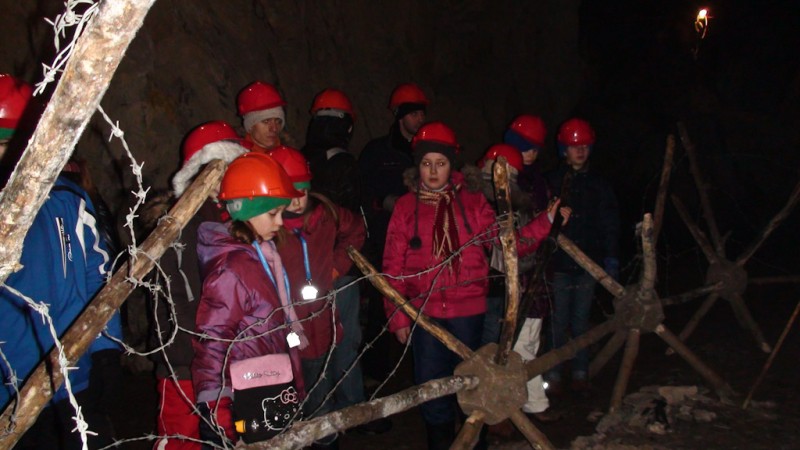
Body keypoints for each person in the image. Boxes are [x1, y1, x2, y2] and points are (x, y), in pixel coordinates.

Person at [382, 122, 566, 450]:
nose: (433, 171)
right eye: (426, 163)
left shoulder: (471, 201)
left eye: (440, 163)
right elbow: (393, 266)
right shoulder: (406, 207)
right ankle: (441, 443)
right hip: (424, 312)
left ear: (451, 164)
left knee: (472, 382)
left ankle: (474, 441)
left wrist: (545, 222)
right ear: (417, 166)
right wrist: (398, 317)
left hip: (467, 311)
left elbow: (507, 244)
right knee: (432, 384)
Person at [0, 73, 123, 449]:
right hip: (12, 389)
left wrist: (106, 346)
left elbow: (97, 274)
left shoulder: (67, 201)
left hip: (74, 373)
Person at [140, 121, 246, 450]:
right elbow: (170, 296)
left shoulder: (238, 222)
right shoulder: (176, 225)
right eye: (222, 168)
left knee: (226, 430)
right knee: (181, 434)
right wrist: (183, 351)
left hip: (226, 355)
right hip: (185, 356)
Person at [191, 152, 305, 448]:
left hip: (274, 381)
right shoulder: (233, 269)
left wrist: (295, 381)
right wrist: (216, 407)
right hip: (248, 393)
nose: (280, 222)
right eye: (272, 213)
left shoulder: (263, 256)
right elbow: (213, 339)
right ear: (245, 210)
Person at [269, 146, 366, 448]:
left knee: (323, 379)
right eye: (290, 192)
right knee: (298, 383)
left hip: (323, 316)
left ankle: (325, 437)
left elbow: (356, 230)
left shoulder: (326, 214)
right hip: (289, 324)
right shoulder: (269, 228)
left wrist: (337, 266)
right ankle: (303, 431)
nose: (297, 199)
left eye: (302, 190)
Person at [357, 82, 428, 381]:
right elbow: (362, 189)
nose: (419, 119)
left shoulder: (428, 150)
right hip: (385, 238)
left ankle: (423, 367)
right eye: (413, 114)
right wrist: (387, 203)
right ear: (399, 115)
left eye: (421, 113)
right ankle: (376, 370)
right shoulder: (377, 151)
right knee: (381, 301)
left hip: (423, 240)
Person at [544, 118, 620, 395]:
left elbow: (609, 223)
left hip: (587, 264)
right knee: (557, 321)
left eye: (585, 146)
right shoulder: (551, 182)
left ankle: (580, 373)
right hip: (558, 266)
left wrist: (611, 257)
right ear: (564, 149)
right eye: (574, 146)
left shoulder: (599, 185)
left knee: (580, 321)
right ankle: (552, 374)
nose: (580, 151)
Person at [237, 81, 292, 153]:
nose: (274, 129)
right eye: (266, 121)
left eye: (278, 121)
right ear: (250, 126)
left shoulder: (291, 155)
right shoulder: (233, 156)